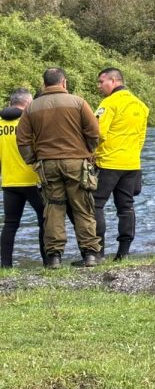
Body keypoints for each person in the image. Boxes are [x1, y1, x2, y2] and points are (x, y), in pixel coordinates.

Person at [16, 68, 101, 268]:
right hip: (76, 162)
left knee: (53, 209)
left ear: (44, 84)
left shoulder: (31, 108)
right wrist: (88, 150)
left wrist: (32, 159)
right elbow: (94, 132)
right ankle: (90, 254)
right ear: (64, 82)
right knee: (83, 207)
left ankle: (54, 257)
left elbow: (22, 139)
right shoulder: (78, 102)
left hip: (47, 164)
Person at [91, 67, 149, 261]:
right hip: (132, 163)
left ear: (114, 81)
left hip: (108, 162)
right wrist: (133, 155)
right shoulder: (141, 105)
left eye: (102, 82)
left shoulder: (109, 103)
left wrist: (91, 154)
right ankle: (123, 253)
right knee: (126, 207)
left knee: (96, 205)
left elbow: (98, 133)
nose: (99, 86)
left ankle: (97, 253)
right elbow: (141, 138)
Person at [0, 88, 46, 267]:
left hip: (9, 182)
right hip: (33, 181)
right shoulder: (30, 122)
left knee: (10, 224)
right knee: (45, 221)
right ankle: (48, 261)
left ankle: (5, 265)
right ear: (28, 103)